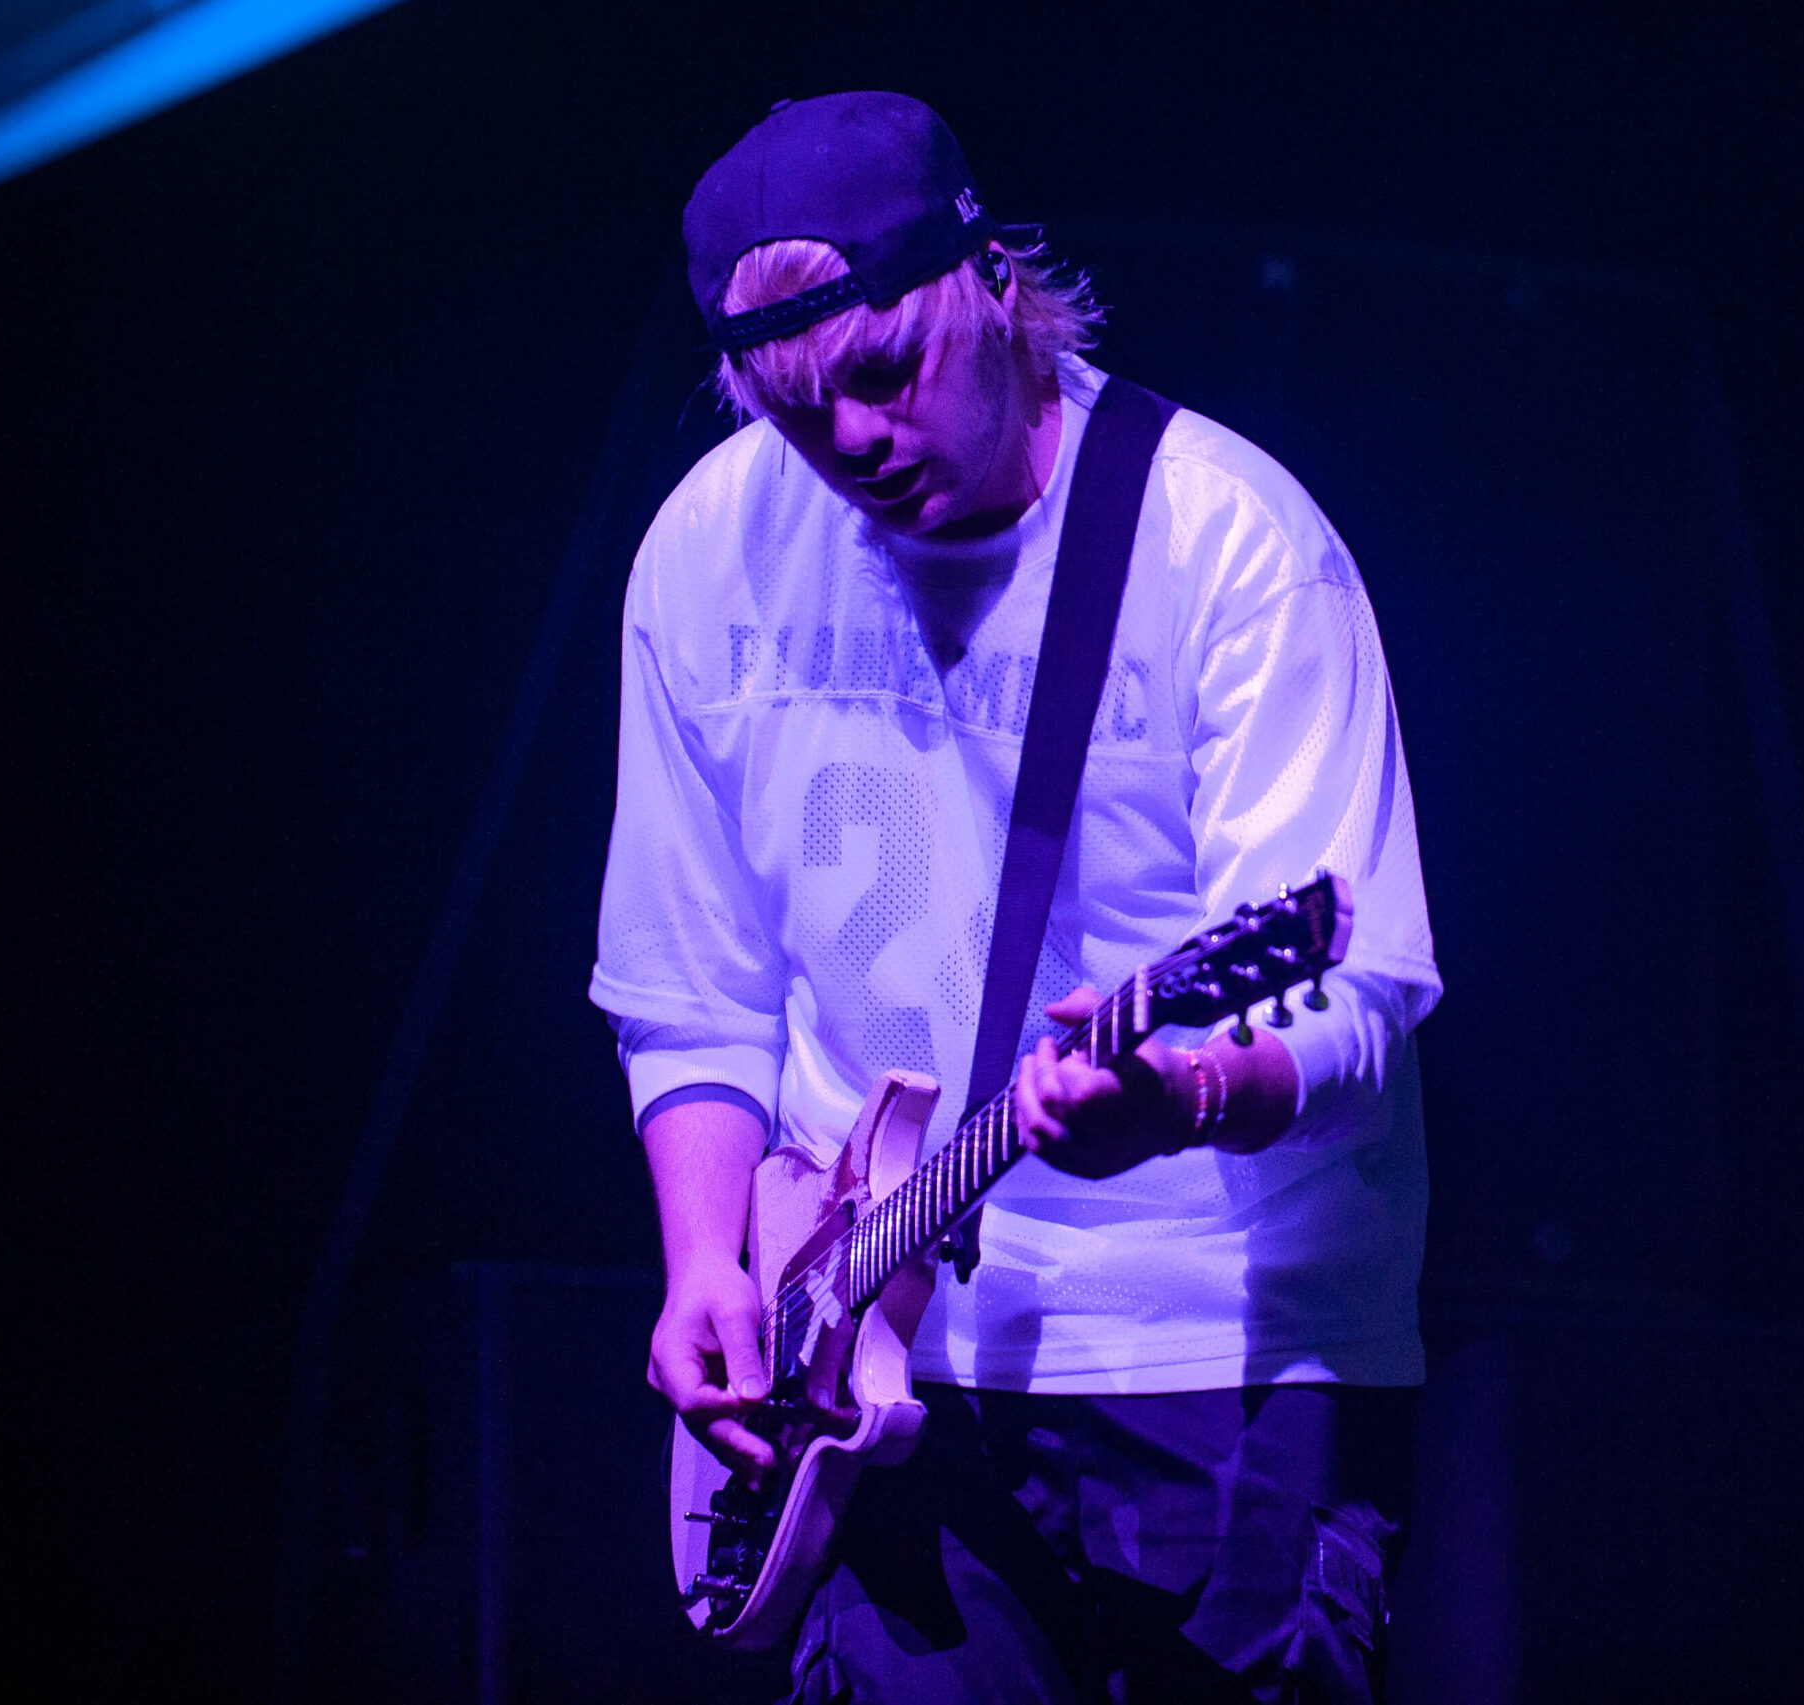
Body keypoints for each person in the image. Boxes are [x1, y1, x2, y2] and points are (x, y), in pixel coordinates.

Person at [590, 91, 1441, 1703]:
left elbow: (1357, 994)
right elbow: (690, 978)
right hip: (867, 1364)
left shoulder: (1227, 542)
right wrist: (707, 1257)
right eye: (798, 412)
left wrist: (1186, 1093)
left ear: (991, 282)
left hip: (1224, 1357)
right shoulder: (705, 554)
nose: (852, 440)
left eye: (884, 374)